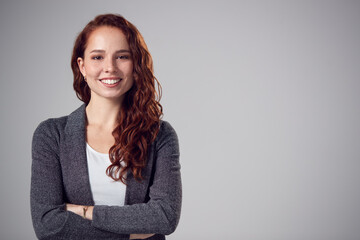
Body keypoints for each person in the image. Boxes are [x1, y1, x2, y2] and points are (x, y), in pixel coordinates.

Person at [30, 14, 181, 240]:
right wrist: (131, 233)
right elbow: (48, 224)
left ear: (136, 64)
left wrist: (84, 211)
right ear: (82, 66)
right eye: (98, 57)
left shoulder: (159, 135)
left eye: (122, 56)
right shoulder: (52, 135)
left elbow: (164, 216)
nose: (109, 67)